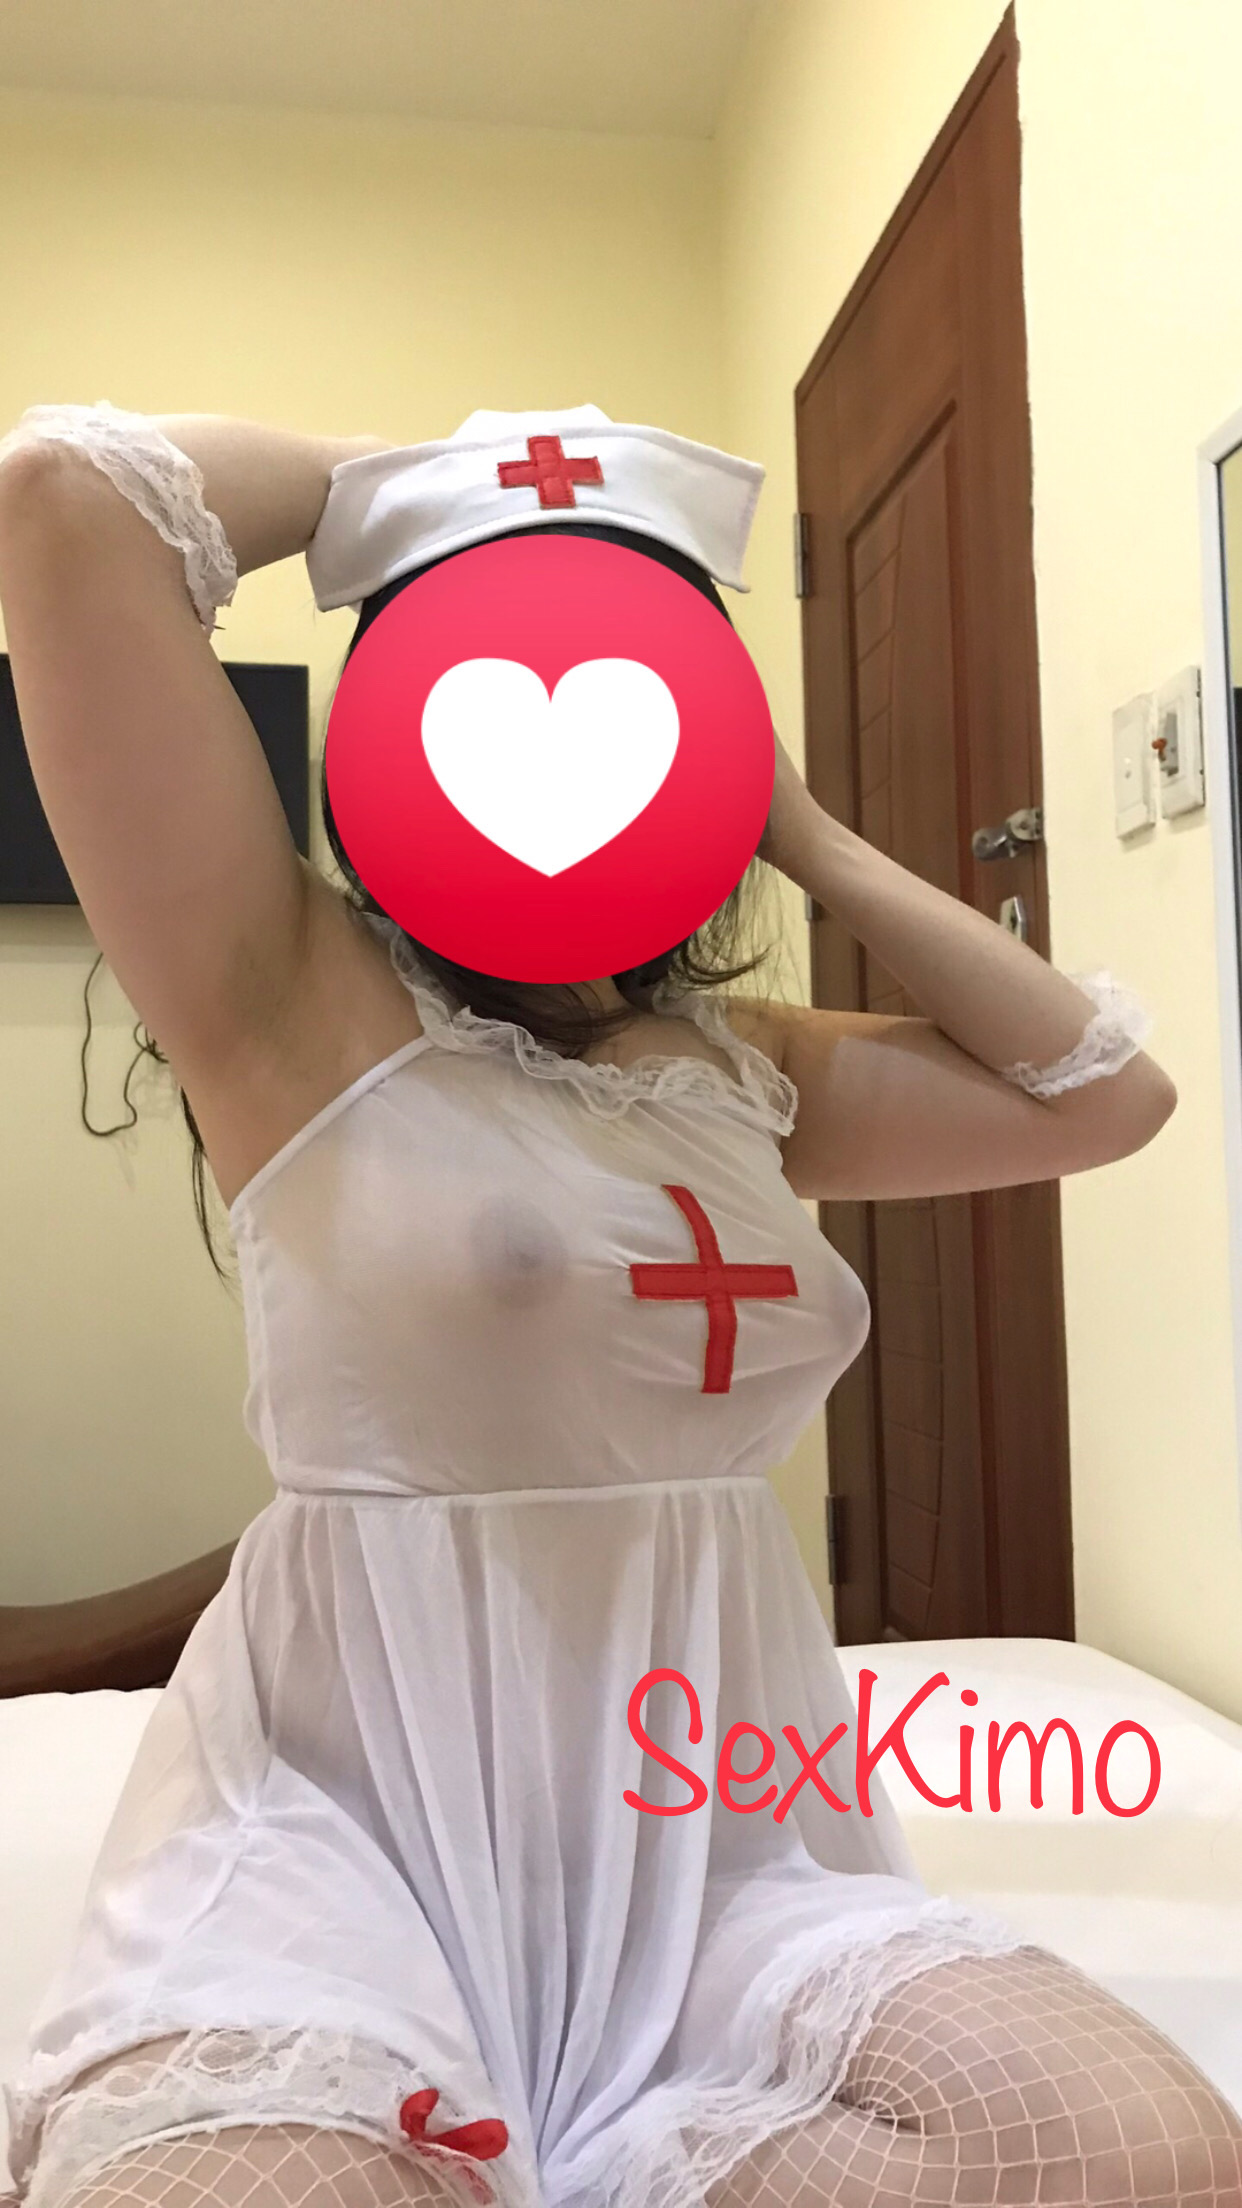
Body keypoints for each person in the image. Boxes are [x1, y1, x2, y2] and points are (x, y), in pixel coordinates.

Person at [0, 400, 1236, 2208]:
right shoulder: (284, 1001)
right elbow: (63, 495)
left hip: (726, 1845)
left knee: (1147, 2153)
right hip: (341, 1851)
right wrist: (486, 497)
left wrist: (799, 823)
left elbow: (1104, 1100)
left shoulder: (741, 1067)